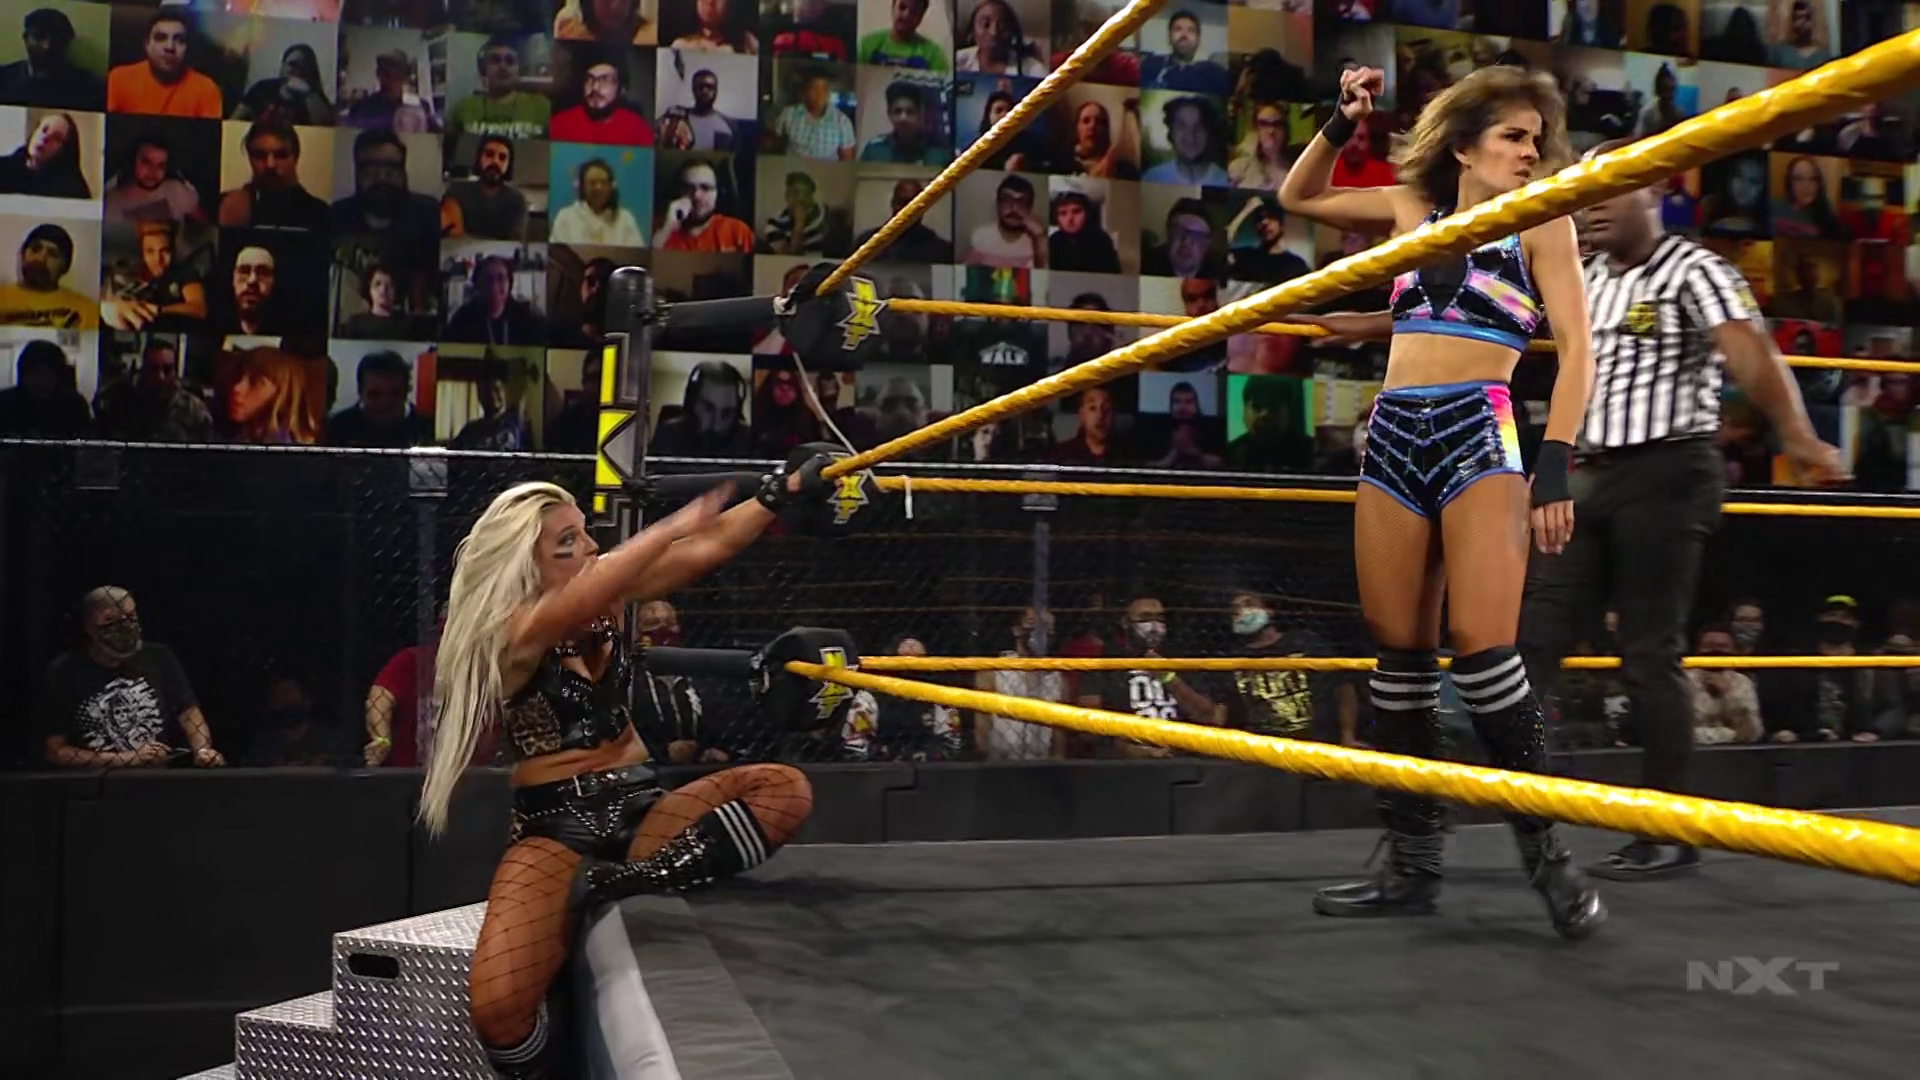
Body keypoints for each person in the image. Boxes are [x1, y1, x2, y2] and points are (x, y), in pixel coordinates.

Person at [1276, 65, 1604, 937]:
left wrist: (1555, 467)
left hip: (1479, 428)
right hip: (1392, 430)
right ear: (1464, 145)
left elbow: (1578, 348)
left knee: (1486, 654)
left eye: (1537, 138)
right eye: (1512, 136)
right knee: (1399, 662)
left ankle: (1549, 857)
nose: (1530, 151)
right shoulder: (1408, 209)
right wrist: (1342, 120)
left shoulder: (1544, 219)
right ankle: (1414, 865)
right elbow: (1298, 195)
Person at [420, 458, 833, 1078]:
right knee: (498, 1009)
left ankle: (629, 880)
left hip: (641, 809)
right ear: (528, 565)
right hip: (556, 828)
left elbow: (709, 548)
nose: (590, 546)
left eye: (586, 532)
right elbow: (588, 592)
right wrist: (671, 527)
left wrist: (780, 492)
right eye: (569, 541)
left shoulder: (605, 595)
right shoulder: (511, 633)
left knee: (783, 790)